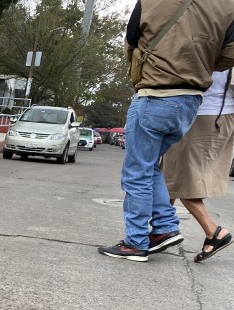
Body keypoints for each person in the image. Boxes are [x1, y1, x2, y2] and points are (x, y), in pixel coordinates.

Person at [98, 0, 234, 262]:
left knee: (136, 172)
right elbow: (229, 55)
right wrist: (199, 62)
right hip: (191, 101)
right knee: (151, 168)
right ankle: (164, 228)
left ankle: (136, 242)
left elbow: (131, 41)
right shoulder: (227, 5)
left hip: (156, 93)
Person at [163, 69, 234, 262]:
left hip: (208, 114)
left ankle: (214, 231)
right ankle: (162, 230)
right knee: (167, 174)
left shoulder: (219, 41)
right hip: (199, 112)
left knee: (182, 179)